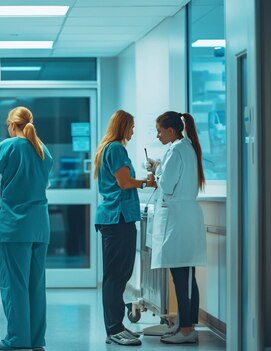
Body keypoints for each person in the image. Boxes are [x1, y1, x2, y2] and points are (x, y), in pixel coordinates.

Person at [0, 106, 52, 351]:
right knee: (36, 285)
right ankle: (36, 339)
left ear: (11, 124)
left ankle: (18, 338)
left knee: (15, 284)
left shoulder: (8, 146)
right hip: (40, 225)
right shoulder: (43, 150)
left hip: (15, 225)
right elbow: (39, 183)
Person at [93, 109, 154, 346]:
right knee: (116, 276)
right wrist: (146, 182)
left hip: (117, 218)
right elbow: (124, 182)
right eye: (131, 126)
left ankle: (116, 326)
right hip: (116, 218)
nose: (133, 130)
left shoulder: (109, 147)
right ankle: (114, 328)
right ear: (123, 126)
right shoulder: (117, 148)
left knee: (119, 274)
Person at [146, 111, 207, 344]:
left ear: (171, 130)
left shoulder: (178, 150)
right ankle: (184, 323)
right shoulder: (183, 148)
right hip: (181, 218)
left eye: (160, 131)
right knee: (184, 275)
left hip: (179, 220)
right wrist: (161, 166)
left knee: (182, 276)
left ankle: (187, 330)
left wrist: (156, 172)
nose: (158, 135)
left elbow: (168, 185)